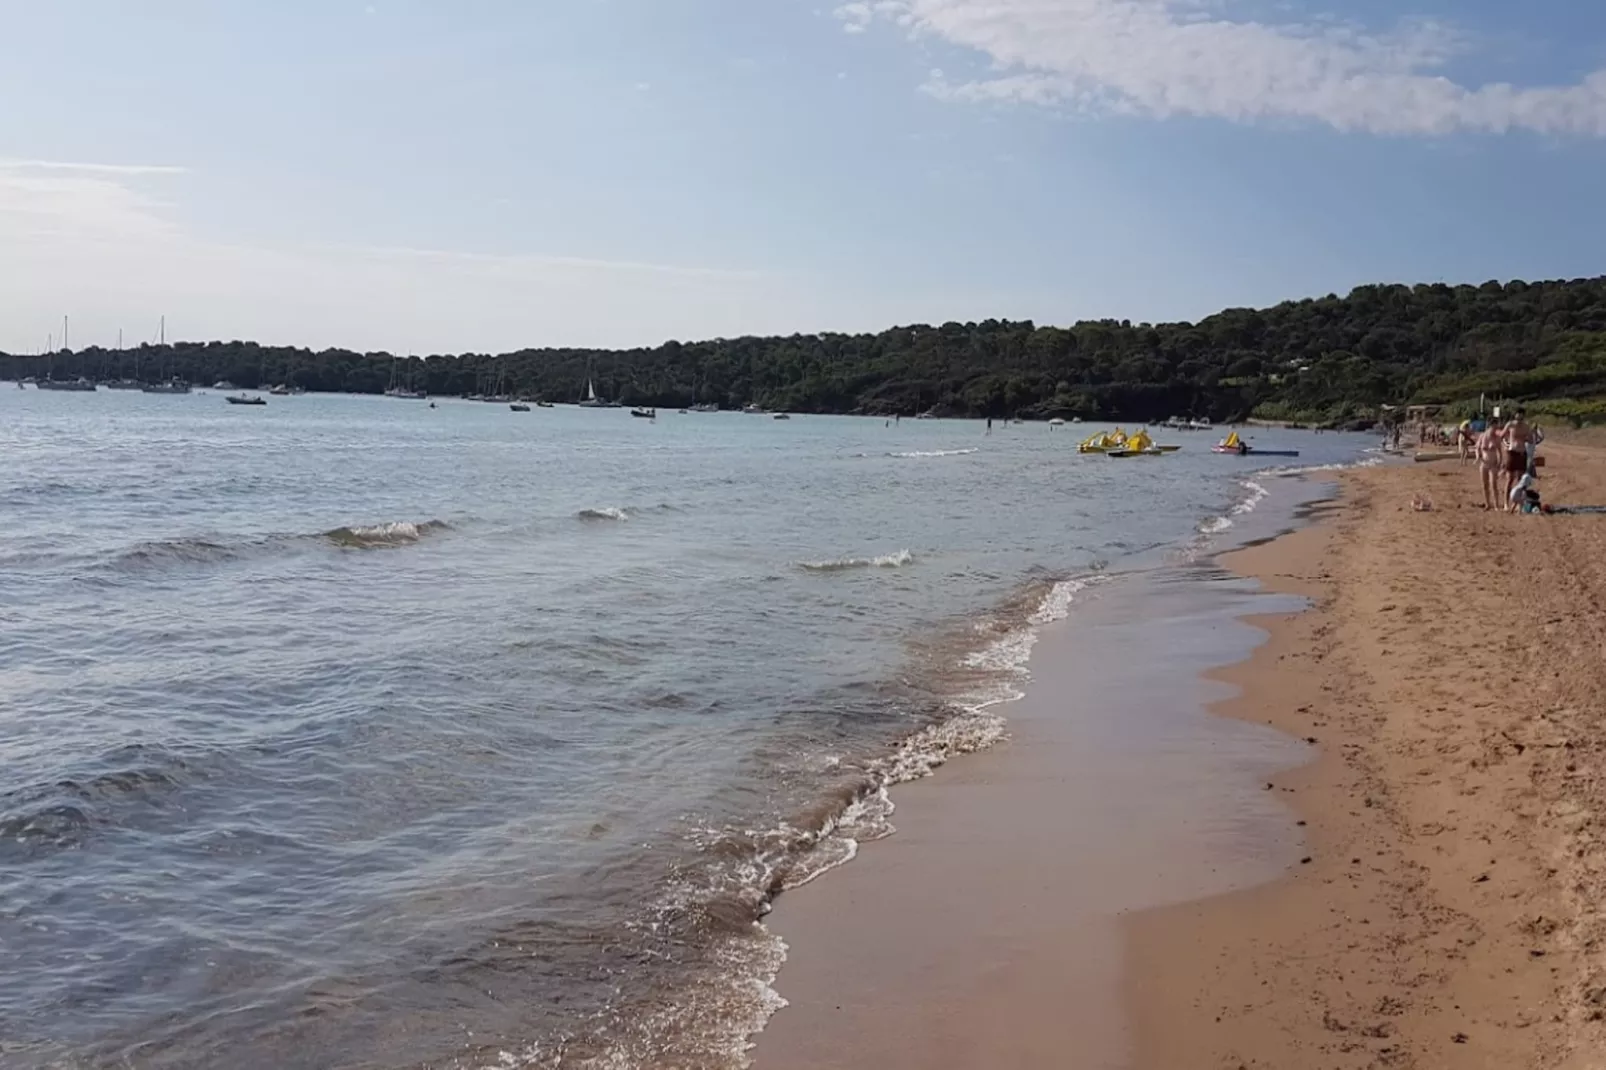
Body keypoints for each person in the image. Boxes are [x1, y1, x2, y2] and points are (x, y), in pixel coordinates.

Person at [1502, 409, 1534, 509]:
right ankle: (1506, 503)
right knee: (1510, 479)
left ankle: (1518, 503)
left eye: (1521, 415)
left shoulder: (1526, 426)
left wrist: (1527, 437)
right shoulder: (1510, 425)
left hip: (1521, 452)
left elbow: (1531, 439)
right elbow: (1502, 435)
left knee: (1520, 480)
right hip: (1512, 451)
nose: (1519, 417)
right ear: (1515, 415)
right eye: (1518, 415)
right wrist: (1506, 443)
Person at [1475, 419, 1505, 510]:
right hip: (1484, 462)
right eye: (1494, 427)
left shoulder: (1496, 438)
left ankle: (1496, 504)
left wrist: (1500, 462)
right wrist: (1478, 456)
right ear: (1490, 426)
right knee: (1485, 485)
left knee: (1493, 484)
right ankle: (1487, 503)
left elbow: (1499, 451)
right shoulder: (1482, 436)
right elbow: (1477, 448)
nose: (1496, 429)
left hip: (1493, 463)